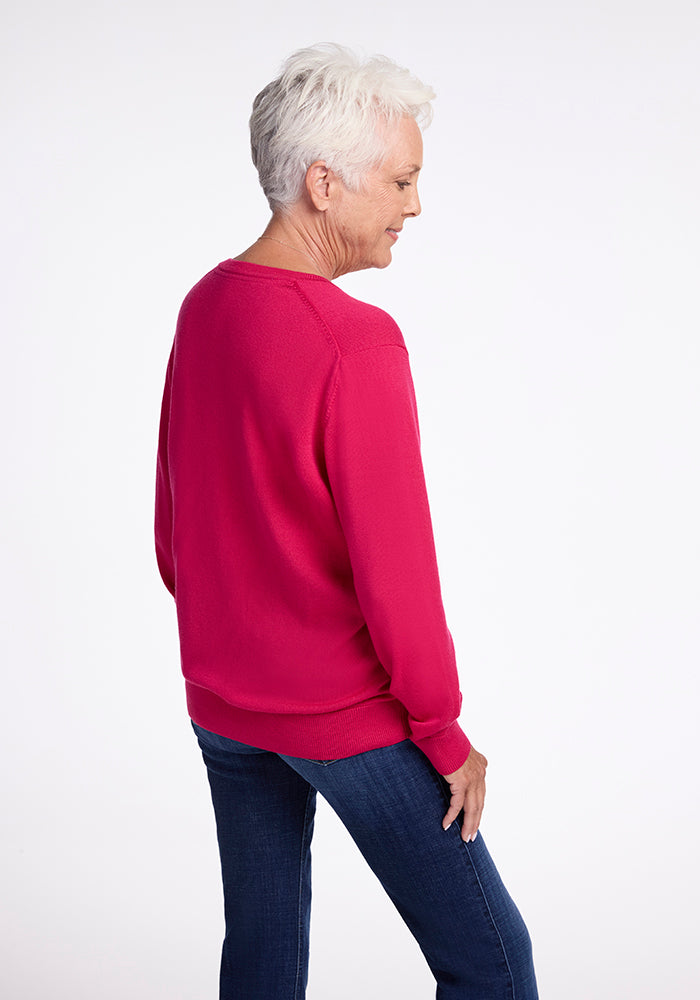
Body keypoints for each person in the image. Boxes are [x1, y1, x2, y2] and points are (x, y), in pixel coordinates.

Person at [155, 43, 538, 1000]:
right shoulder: (353, 340)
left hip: (225, 706)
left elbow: (172, 535)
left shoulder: (206, 307)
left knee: (263, 961)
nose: (415, 206)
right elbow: (396, 571)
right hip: (344, 716)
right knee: (493, 965)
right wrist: (443, 733)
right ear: (324, 184)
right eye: (402, 180)